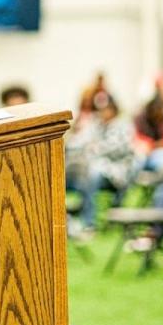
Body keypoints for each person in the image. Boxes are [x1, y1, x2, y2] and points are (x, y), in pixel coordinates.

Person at [66, 95, 134, 232]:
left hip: (115, 173)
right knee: (69, 171)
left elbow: (117, 149)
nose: (102, 112)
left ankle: (89, 221)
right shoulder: (96, 124)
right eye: (99, 109)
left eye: (105, 109)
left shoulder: (123, 125)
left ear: (113, 109)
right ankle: (69, 216)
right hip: (90, 169)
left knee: (92, 174)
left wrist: (92, 148)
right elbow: (80, 141)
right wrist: (68, 144)